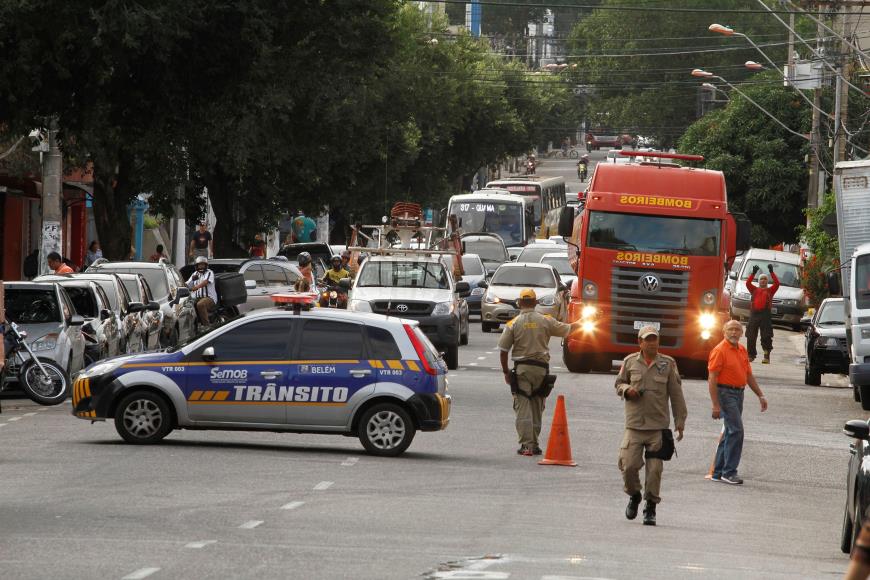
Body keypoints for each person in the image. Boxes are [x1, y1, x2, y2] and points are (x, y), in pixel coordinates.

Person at [614, 325, 687, 526]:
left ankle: (650, 507)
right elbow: (618, 383)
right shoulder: (630, 362)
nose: (652, 343)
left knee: (655, 470)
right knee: (628, 466)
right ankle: (635, 495)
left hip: (657, 427)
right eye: (648, 340)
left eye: (655, 339)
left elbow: (676, 395)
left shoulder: (667, 364)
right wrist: (626, 389)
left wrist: (680, 421)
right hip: (635, 426)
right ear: (640, 342)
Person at [498, 289, 581, 456]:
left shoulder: (513, 324)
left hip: (522, 370)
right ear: (535, 303)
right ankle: (534, 444)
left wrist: (506, 372)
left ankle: (526, 445)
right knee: (537, 406)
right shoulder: (545, 320)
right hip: (541, 370)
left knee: (523, 407)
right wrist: (586, 320)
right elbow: (569, 329)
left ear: (520, 303)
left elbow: (503, 350)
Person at [708, 319, 769, 485]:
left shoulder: (742, 350)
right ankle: (729, 472)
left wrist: (760, 395)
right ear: (724, 332)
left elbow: (748, 375)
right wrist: (715, 405)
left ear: (742, 333)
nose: (734, 332)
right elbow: (712, 378)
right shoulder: (719, 351)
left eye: (737, 329)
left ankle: (718, 472)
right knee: (736, 431)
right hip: (725, 393)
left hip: (739, 393)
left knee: (730, 431)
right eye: (731, 329)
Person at [745, 263, 780, 363]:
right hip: (754, 315)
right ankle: (751, 355)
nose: (763, 280)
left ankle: (766, 356)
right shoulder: (754, 289)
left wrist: (771, 272)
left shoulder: (770, 290)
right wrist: (753, 273)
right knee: (751, 335)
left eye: (765, 279)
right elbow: (747, 283)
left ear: (767, 281)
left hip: (765, 315)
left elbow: (777, 283)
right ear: (759, 281)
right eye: (761, 279)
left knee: (766, 336)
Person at [185, 256, 217, 327]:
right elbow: (187, 284)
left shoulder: (209, 272)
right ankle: (193, 326)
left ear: (206, 265)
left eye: (203, 265)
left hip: (209, 298)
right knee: (187, 305)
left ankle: (206, 326)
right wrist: (181, 286)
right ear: (196, 266)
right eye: (199, 265)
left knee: (200, 304)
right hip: (197, 298)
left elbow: (205, 282)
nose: (201, 267)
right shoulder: (195, 274)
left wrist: (196, 287)